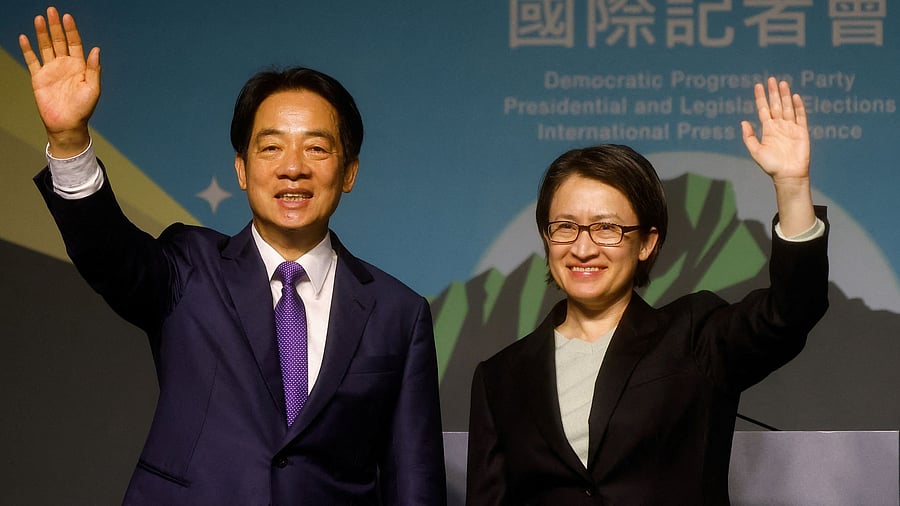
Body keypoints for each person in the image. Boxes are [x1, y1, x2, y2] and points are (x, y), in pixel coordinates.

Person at [20, 7, 446, 505]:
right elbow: (108, 254)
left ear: (348, 172)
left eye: (316, 149)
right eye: (270, 149)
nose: (292, 169)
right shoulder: (188, 267)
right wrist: (69, 140)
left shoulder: (399, 313)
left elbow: (413, 479)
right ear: (242, 169)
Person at [466, 77, 829, 505]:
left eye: (607, 228)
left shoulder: (694, 336)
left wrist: (791, 187)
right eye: (565, 227)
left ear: (647, 243)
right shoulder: (501, 377)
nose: (583, 247)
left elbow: (791, 310)